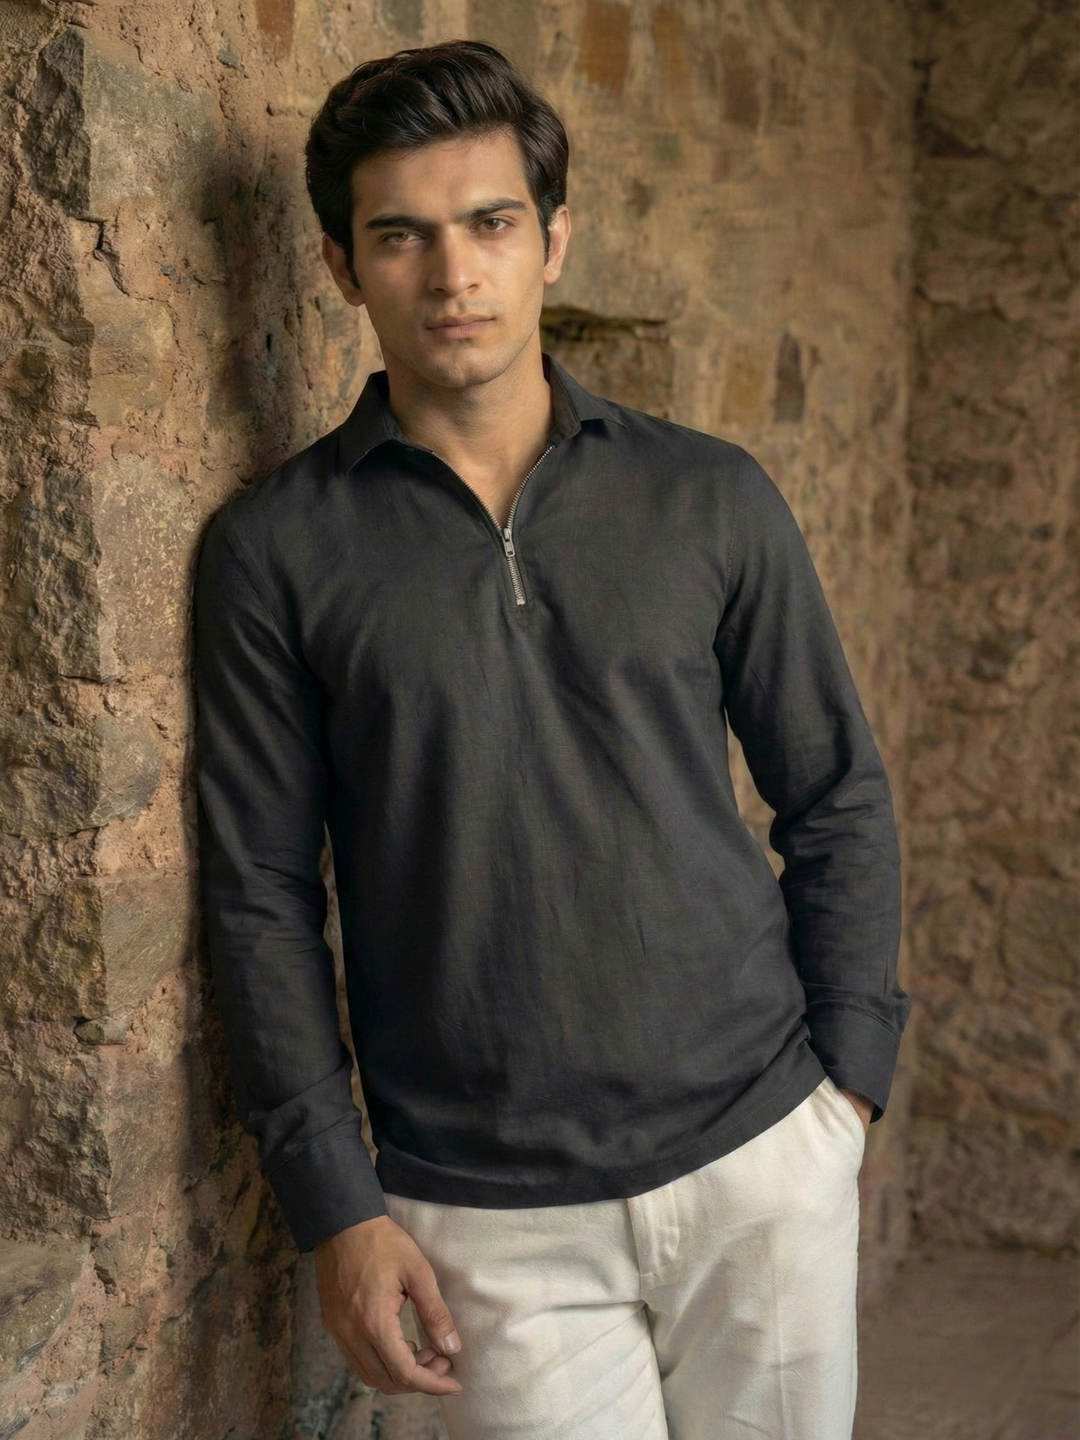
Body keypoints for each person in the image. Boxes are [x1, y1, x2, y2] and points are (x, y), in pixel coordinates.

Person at [192, 38, 912, 1440]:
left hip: (762, 1155)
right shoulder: (275, 553)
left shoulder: (711, 497)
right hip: (485, 1216)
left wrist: (848, 1089)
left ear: (553, 241)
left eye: (490, 224)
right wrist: (336, 1203)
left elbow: (834, 792)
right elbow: (259, 892)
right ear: (342, 266)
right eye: (400, 235)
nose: (452, 275)